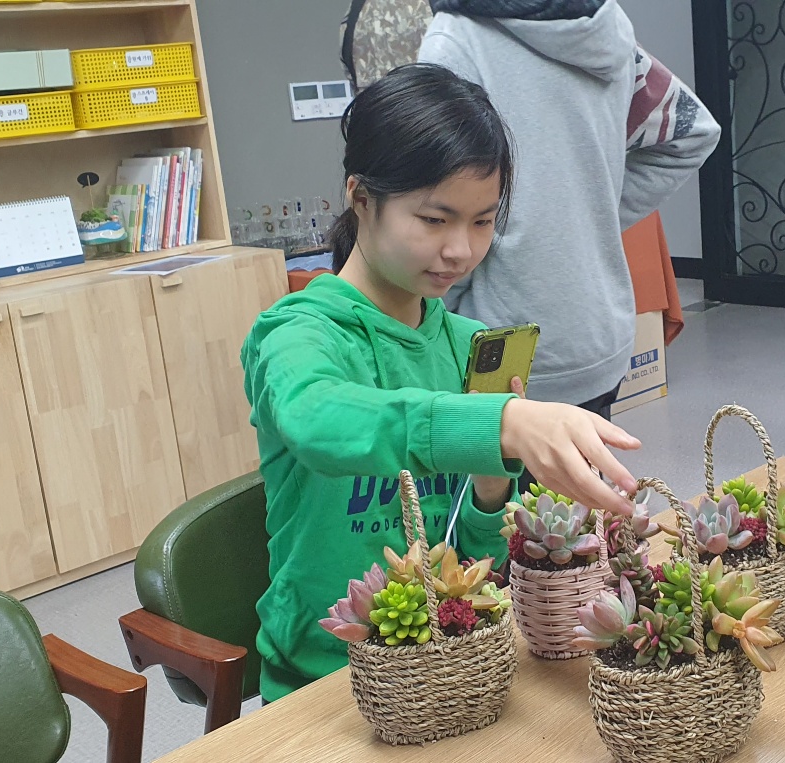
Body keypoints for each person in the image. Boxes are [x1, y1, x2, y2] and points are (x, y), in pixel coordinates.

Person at [241, 64, 641, 701]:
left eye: (482, 221)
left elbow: (475, 549)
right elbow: (316, 418)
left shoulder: (466, 345)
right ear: (361, 197)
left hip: (455, 664)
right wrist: (499, 424)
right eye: (434, 219)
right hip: (326, 679)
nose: (461, 249)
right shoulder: (296, 333)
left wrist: (490, 485)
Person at [418, 0, 721, 420]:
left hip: (500, 348)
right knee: (586, 464)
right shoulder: (604, 31)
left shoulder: (456, 39)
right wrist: (586, 215)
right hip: (600, 337)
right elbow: (692, 129)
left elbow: (442, 199)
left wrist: (582, 214)